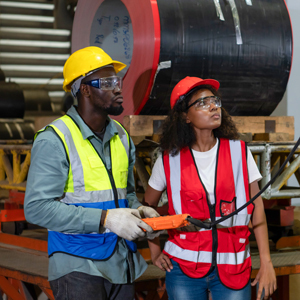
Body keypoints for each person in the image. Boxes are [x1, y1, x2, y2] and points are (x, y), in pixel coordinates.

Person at [24, 46, 160, 300]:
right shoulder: (55, 140)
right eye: (107, 82)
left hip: (121, 262)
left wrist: (140, 212)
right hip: (78, 265)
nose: (118, 88)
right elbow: (36, 208)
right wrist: (106, 219)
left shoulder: (121, 135)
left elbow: (124, 194)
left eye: (117, 80)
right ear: (84, 89)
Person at [143, 76, 277, 300]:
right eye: (202, 103)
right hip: (183, 269)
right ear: (185, 115)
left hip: (233, 267)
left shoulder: (239, 152)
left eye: (215, 100)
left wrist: (266, 262)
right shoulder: (169, 160)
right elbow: (147, 208)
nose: (214, 106)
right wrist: (154, 252)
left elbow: (257, 208)